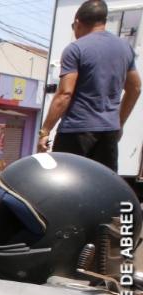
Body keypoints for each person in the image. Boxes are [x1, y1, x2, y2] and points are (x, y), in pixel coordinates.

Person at [38, 0, 141, 171]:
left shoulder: (76, 49)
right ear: (104, 21)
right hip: (108, 133)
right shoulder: (125, 48)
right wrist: (119, 124)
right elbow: (135, 88)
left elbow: (65, 94)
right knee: (102, 186)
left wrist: (45, 131)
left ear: (78, 23)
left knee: (65, 184)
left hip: (76, 131)